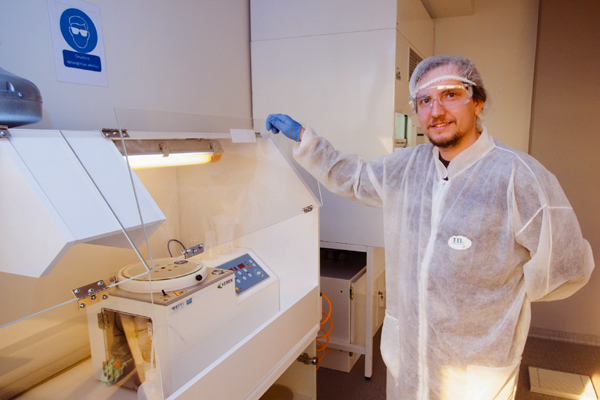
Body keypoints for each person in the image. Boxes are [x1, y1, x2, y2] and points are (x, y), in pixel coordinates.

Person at [265, 55, 594, 400]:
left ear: (477, 102)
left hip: (475, 364)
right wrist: (305, 139)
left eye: (450, 94)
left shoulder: (518, 176)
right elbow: (356, 178)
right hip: (409, 356)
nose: (436, 111)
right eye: (424, 100)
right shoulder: (409, 167)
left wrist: (500, 298)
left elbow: (567, 268)